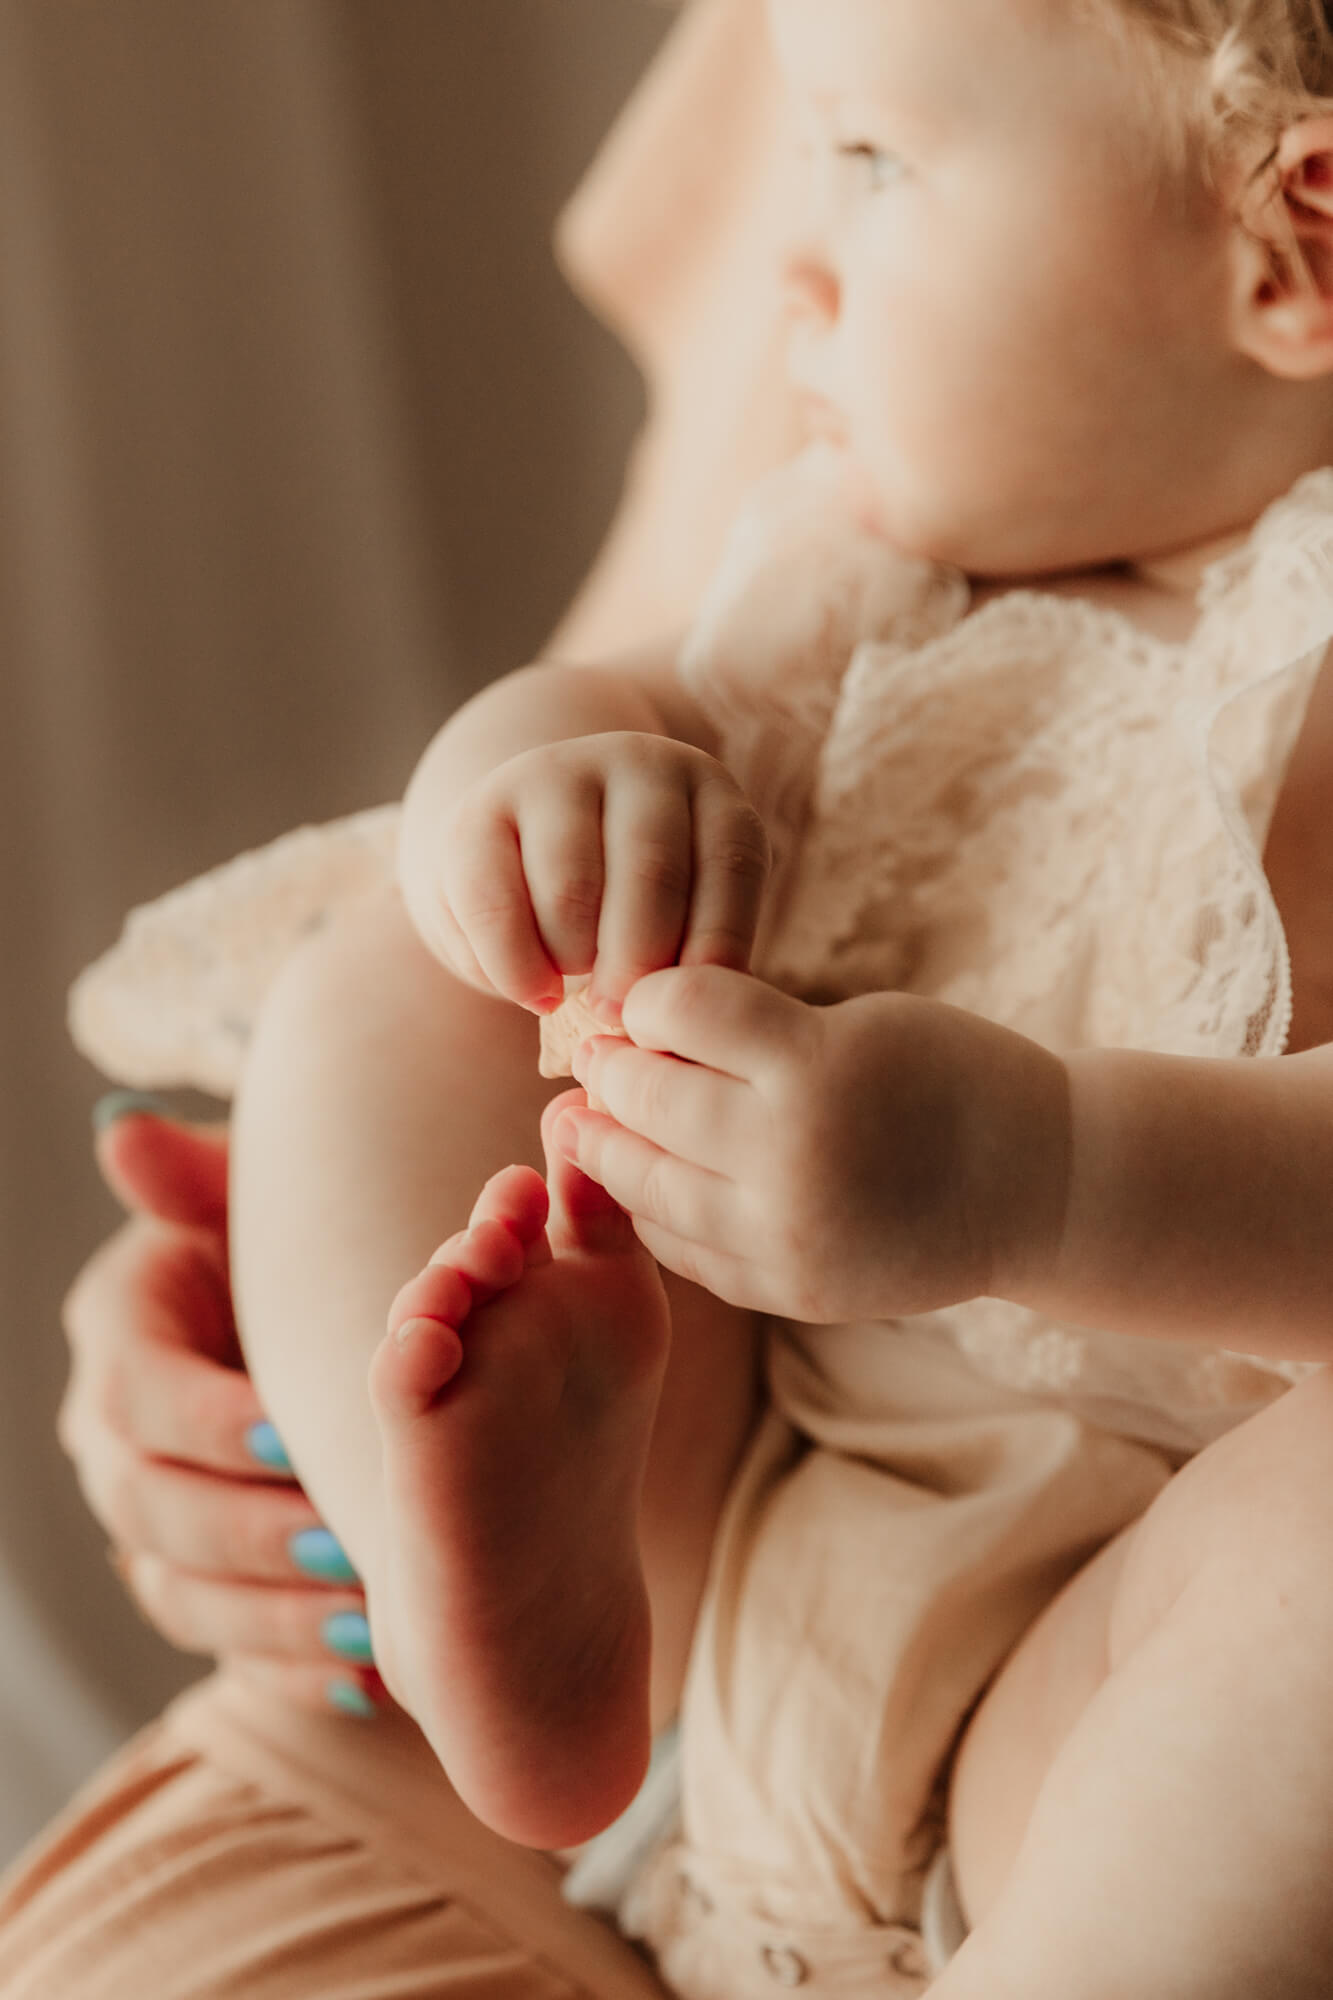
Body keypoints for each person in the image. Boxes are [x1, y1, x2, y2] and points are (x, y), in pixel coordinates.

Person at [10, 5, 1333, 2000]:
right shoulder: (860, 564)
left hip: (1089, 1714)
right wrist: (550, 780)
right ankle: (492, 1582)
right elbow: (612, 693)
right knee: (402, 964)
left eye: (870, 167)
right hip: (712, 1570)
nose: (788, 260)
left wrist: (1034, 1177)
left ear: (1285, 252)